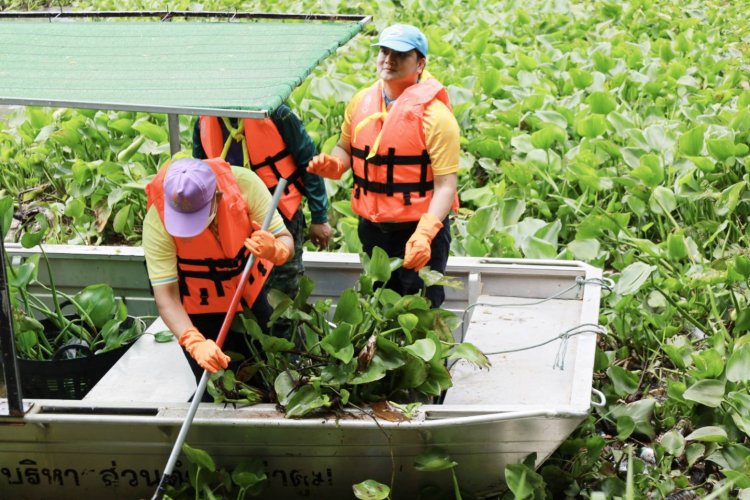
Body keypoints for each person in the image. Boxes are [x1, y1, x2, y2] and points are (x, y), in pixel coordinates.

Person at [307, 24, 460, 307]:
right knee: (379, 301)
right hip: (374, 228)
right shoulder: (361, 101)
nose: (389, 60)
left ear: (420, 62)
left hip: (418, 228)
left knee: (421, 306)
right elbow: (345, 147)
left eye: (400, 54)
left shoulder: (436, 117)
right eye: (384, 52)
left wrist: (425, 235)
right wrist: (335, 164)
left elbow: (446, 185)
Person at [143, 157, 295, 377]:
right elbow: (166, 297)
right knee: (212, 381)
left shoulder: (246, 185)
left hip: (249, 292)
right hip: (197, 302)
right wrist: (194, 342)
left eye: (196, 218)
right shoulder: (157, 220)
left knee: (263, 370)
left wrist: (277, 250)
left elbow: (285, 239)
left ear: (217, 197)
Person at [193, 105, 332, 300]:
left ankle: (284, 327)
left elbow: (308, 161)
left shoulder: (278, 114)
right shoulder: (203, 122)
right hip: (232, 217)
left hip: (281, 211)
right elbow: (198, 175)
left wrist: (319, 217)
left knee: (283, 283)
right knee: (241, 281)